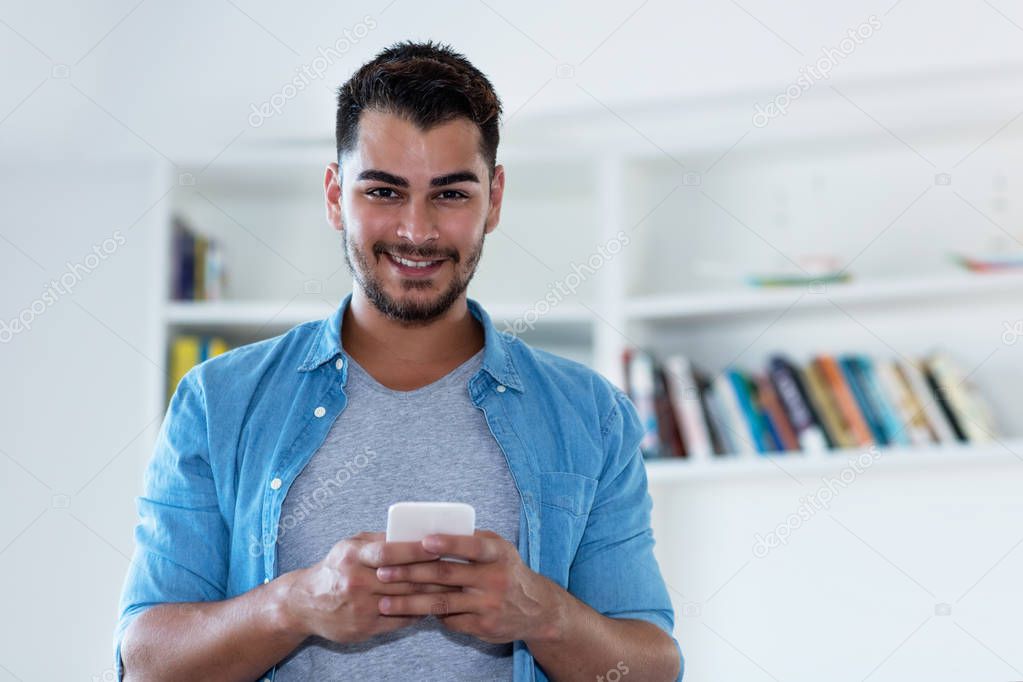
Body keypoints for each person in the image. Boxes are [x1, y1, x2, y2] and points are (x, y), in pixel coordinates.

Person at [114, 40, 683, 682]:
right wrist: (294, 605)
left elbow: (654, 668)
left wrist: (542, 615)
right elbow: (146, 664)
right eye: (384, 191)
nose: (417, 230)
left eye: (451, 194)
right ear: (335, 195)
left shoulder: (592, 415)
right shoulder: (219, 401)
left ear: (494, 199)